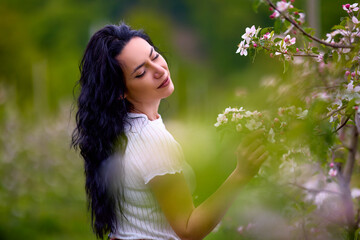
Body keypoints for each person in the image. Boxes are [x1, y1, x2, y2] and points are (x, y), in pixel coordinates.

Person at [71, 23, 268, 240]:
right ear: (120, 92)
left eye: (154, 57)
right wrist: (241, 174)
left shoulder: (117, 130)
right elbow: (188, 229)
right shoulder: (153, 140)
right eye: (141, 72)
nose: (159, 70)